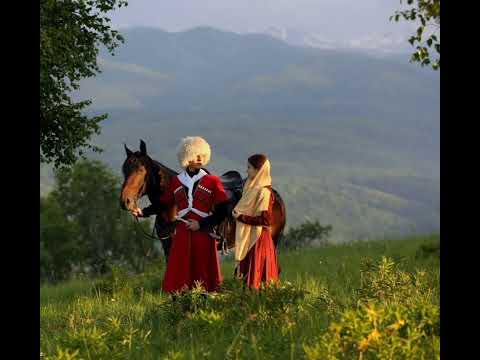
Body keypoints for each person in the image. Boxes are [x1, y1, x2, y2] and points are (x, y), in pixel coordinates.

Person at [131, 136, 229, 293]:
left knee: (204, 276)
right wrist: (143, 212)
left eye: (202, 155)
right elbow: (163, 203)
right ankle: (182, 307)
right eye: (195, 154)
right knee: (180, 275)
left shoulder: (213, 181)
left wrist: (201, 224)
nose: (199, 158)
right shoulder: (176, 181)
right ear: (186, 156)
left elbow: (223, 211)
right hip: (183, 234)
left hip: (204, 234)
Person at [232, 154, 280, 289]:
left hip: (258, 240)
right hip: (252, 237)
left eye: (249, 168)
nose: (247, 171)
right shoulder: (251, 188)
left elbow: (265, 220)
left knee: (255, 277)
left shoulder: (264, 192)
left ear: (259, 171)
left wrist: (241, 217)